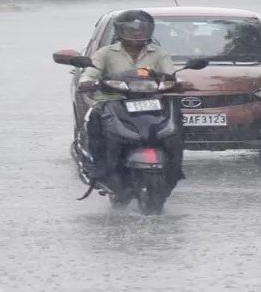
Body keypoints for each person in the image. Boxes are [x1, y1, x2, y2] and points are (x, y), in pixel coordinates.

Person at [78, 10, 185, 185]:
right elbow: (90, 74)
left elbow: (171, 75)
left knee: (176, 124)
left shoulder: (158, 53)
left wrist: (179, 83)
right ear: (120, 31)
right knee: (95, 118)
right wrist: (88, 82)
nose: (137, 33)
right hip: (113, 100)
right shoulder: (105, 53)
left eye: (142, 28)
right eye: (132, 29)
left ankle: (175, 167)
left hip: (153, 103)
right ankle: (99, 166)